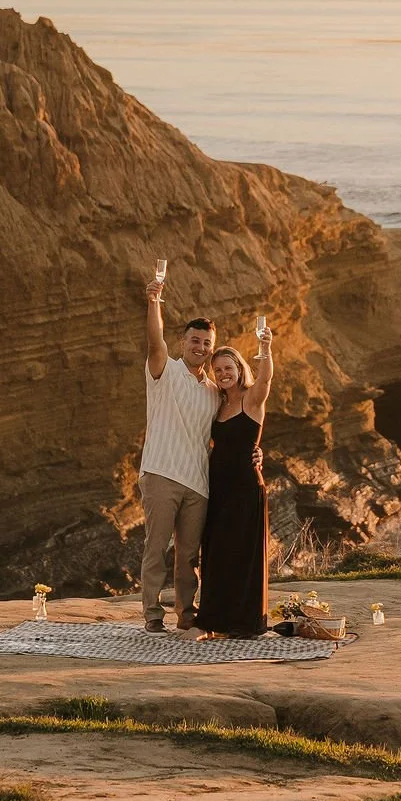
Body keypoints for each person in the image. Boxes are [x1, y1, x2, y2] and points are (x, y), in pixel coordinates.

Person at [139, 272, 218, 632]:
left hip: (198, 483)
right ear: (182, 341)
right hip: (160, 472)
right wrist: (154, 302)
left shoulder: (215, 391)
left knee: (188, 556)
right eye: (194, 340)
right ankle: (153, 615)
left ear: (211, 349)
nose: (200, 347)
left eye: (206, 343)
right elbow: (155, 341)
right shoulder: (164, 370)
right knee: (156, 548)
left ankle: (187, 615)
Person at [193, 330, 275, 639]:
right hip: (217, 488)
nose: (224, 374)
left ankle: (243, 623)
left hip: (244, 488)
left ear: (240, 369)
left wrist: (265, 348)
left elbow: (266, 380)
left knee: (242, 555)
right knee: (215, 553)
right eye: (219, 370)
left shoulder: (252, 399)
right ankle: (213, 622)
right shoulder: (218, 402)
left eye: (229, 368)